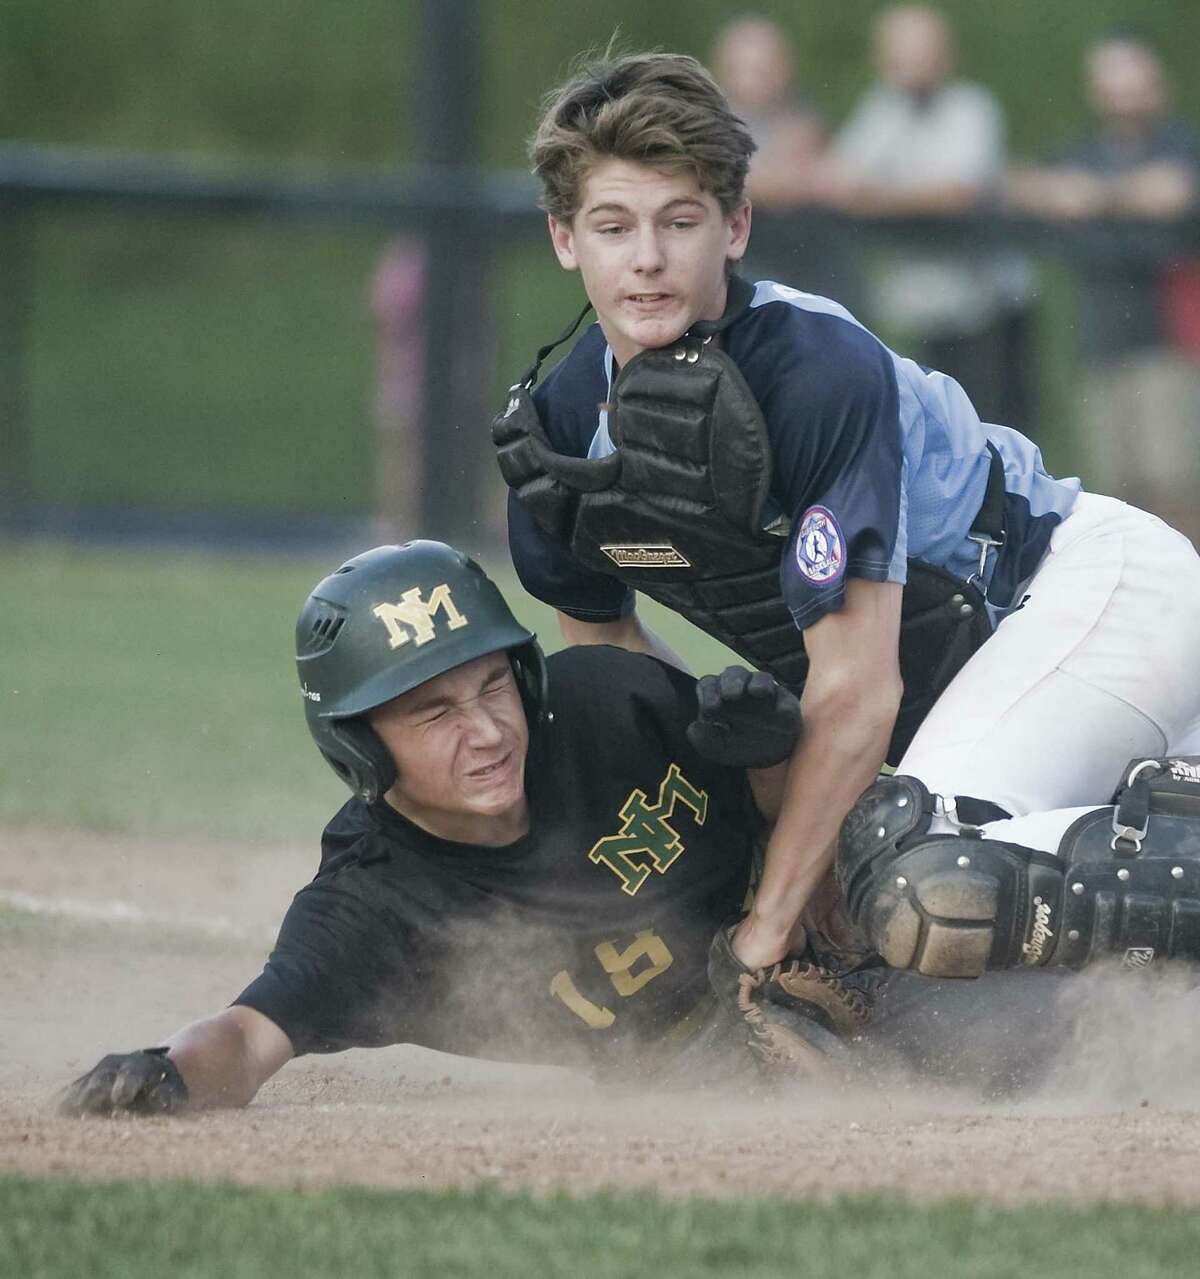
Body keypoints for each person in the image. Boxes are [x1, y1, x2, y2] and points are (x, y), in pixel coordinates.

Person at [493, 49, 1200, 994]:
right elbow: (620, 688)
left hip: (1084, 594)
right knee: (883, 948)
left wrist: (761, 929)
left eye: (681, 220)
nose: (649, 258)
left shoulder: (815, 369)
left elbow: (858, 691)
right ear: (563, 238)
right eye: (614, 225)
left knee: (913, 871)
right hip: (967, 686)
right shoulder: (561, 440)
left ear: (736, 225)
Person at [58, 541, 872, 1116]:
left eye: (492, 688)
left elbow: (801, 815)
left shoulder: (609, 704)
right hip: (700, 1059)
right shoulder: (372, 906)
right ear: (359, 746)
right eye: (435, 711)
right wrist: (165, 1073)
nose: (486, 731)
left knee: (930, 884)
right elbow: (246, 1040)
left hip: (835, 932)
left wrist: (770, 760)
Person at [1006, 29, 1200, 543]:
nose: (1124, 88)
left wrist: (1096, 197)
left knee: (1178, 486)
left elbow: (1177, 195)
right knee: (1119, 495)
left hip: (1169, 342)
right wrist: (1072, 193)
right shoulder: (1081, 152)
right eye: (1113, 75)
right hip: (1099, 344)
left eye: (1132, 73)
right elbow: (1017, 187)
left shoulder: (1182, 145)